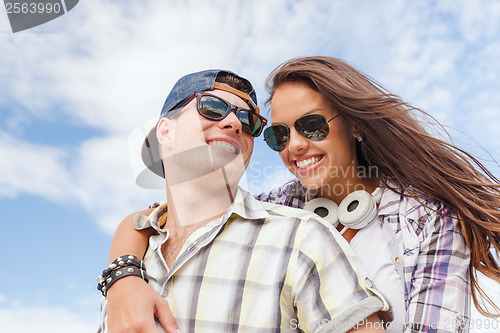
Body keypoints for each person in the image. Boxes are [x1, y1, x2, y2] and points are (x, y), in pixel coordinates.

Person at [104, 57, 500, 332]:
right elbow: (158, 218)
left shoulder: (429, 219)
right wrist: (123, 278)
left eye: (311, 126)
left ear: (355, 126)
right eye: (278, 135)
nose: (293, 146)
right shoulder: (280, 209)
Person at [97, 69, 392, 333]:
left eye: (247, 120)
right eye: (211, 107)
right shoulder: (128, 267)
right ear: (166, 132)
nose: (233, 124)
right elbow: (138, 222)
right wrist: (122, 276)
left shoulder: (302, 239)